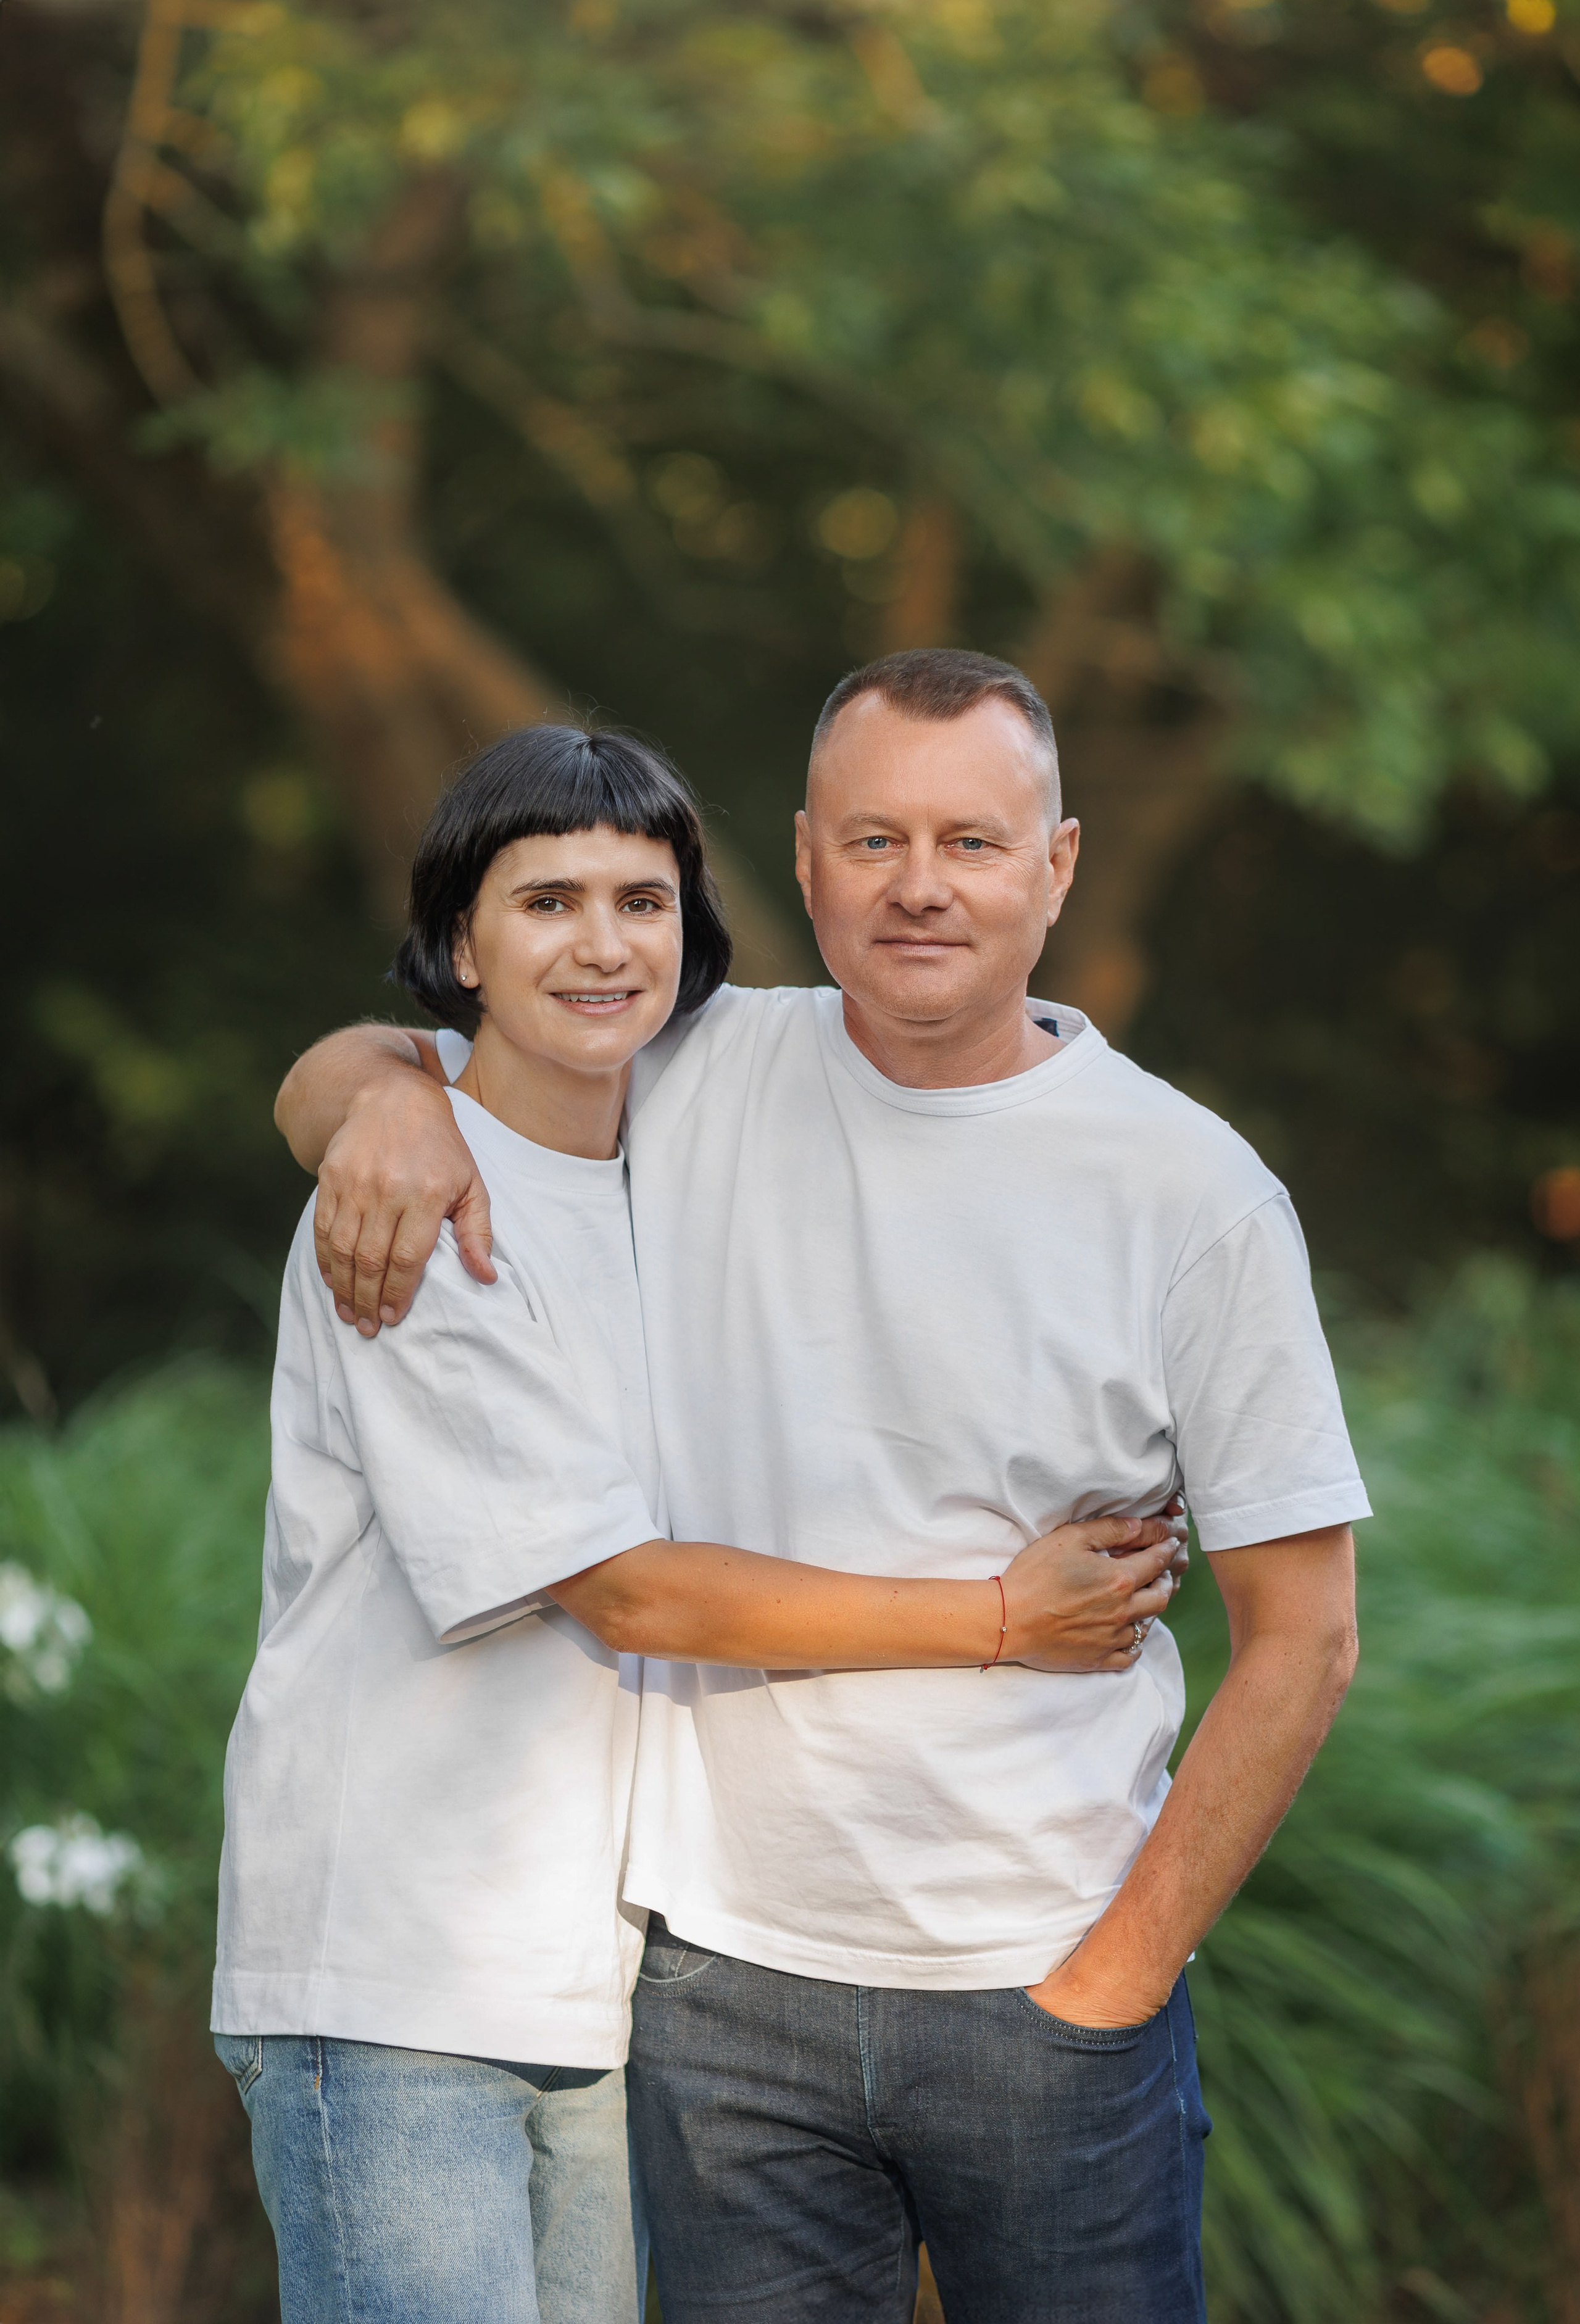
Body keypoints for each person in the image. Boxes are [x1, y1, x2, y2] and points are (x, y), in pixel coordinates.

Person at [277, 650, 1369, 2324]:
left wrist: (1119, 1976)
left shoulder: (1194, 1194)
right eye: (873, 842)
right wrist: (381, 1098)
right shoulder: (692, 1063)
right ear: (803, 861)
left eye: (972, 843)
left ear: (1057, 865)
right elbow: (456, 1032)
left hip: (1044, 1978)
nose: (919, 886)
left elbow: (1304, 1639)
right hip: (719, 1994)